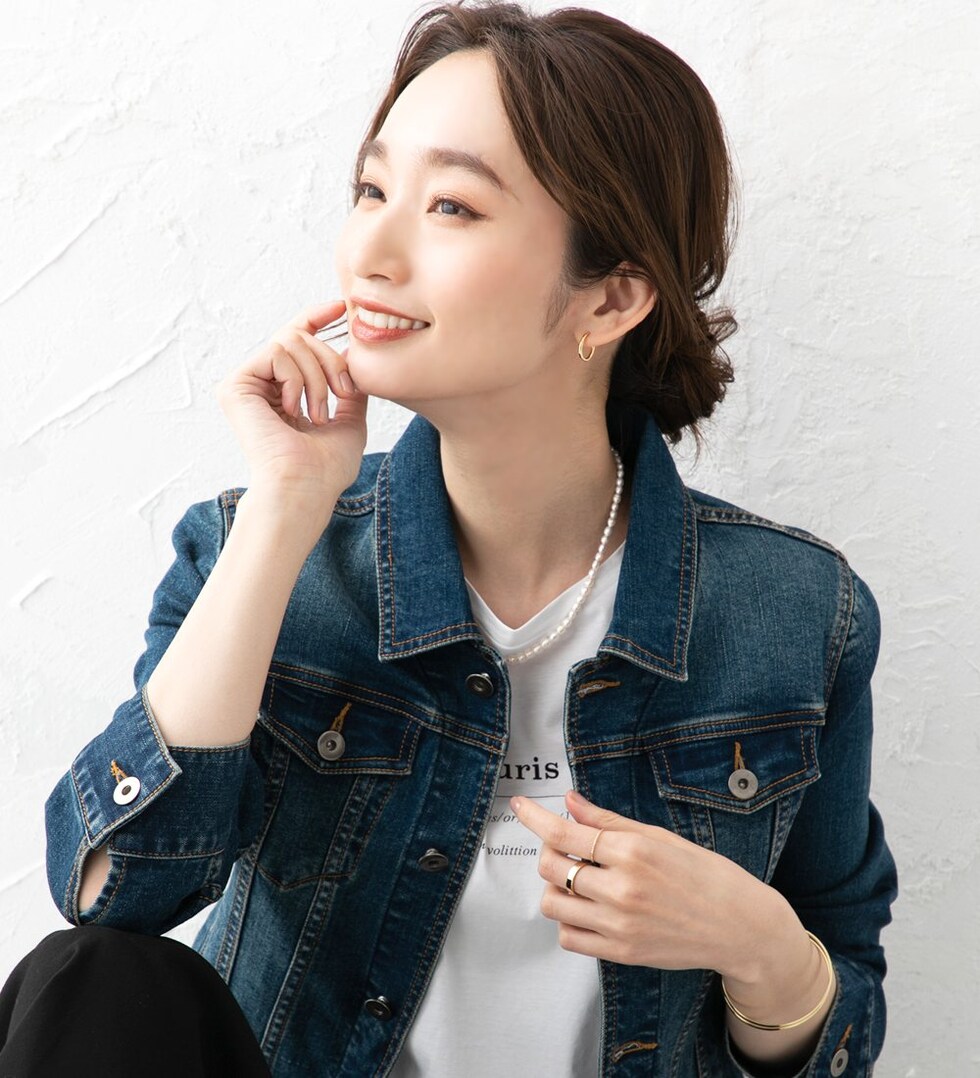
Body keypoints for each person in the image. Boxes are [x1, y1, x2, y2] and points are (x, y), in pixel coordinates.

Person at [1, 2, 897, 1075]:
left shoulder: (794, 615)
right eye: (371, 191)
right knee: (96, 975)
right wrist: (285, 509)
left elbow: (842, 1005)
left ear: (610, 299)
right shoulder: (258, 552)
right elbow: (111, 891)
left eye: (451, 207)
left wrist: (759, 946)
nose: (371, 253)